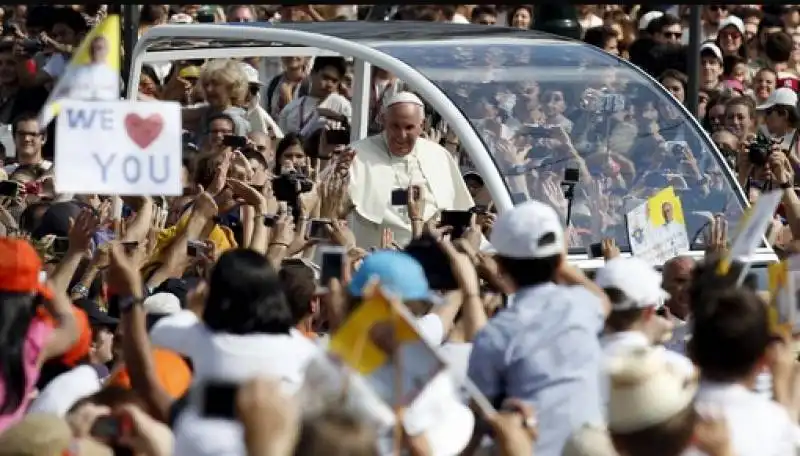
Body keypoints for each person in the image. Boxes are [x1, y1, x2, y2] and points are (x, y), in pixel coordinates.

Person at [467, 200, 610, 456]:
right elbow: (602, 301)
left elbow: (482, 411)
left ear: (500, 263)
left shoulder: (496, 333)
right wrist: (559, 261)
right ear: (559, 258)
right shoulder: (582, 306)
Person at [339, 91, 474, 248]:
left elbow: (459, 210)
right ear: (383, 121)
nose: (401, 135)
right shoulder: (357, 154)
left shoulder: (439, 155)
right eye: (395, 126)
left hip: (431, 257)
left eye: (409, 127)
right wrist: (338, 179)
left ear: (422, 125)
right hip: (375, 256)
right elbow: (332, 207)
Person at [52, 35, 119, 102]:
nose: (95, 51)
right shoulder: (76, 72)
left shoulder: (112, 74)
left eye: (99, 48)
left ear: (107, 50)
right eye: (92, 48)